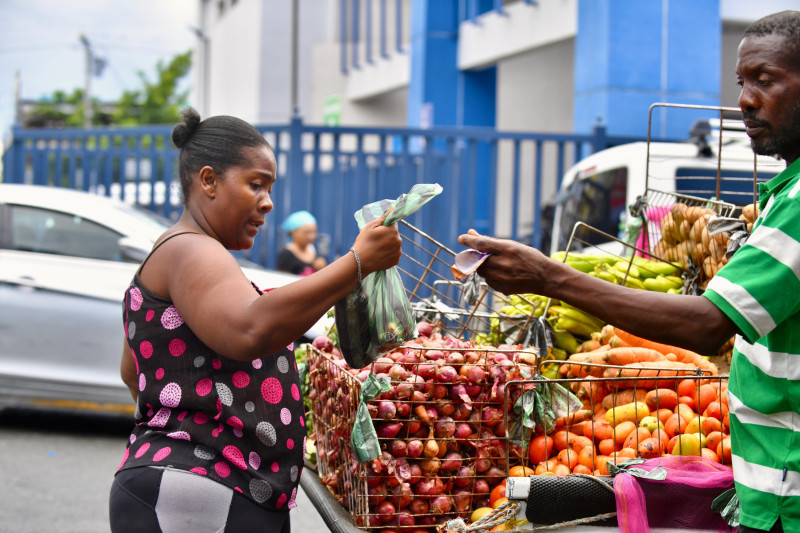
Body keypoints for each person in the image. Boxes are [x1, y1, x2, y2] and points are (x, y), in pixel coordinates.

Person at [459, 11, 800, 533]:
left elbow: (708, 323)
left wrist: (549, 277)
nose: (745, 101)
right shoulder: (785, 196)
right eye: (742, 82)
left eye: (766, 80)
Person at [109, 107, 402, 533]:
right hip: (201, 490)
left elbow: (132, 370)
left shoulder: (177, 251)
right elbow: (251, 328)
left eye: (270, 187)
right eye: (255, 184)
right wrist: (357, 263)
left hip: (199, 489)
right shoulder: (192, 249)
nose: (267, 202)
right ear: (208, 180)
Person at [277, 210, 327, 276]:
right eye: (307, 232)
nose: (312, 236)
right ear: (293, 233)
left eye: (314, 232)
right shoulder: (286, 254)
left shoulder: (312, 249)